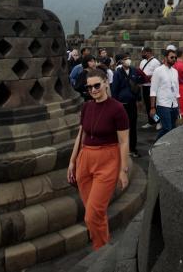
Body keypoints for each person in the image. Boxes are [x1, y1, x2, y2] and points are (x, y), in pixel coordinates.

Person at [67, 69, 130, 250]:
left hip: (108, 159)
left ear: (105, 83)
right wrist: (72, 161)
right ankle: (103, 247)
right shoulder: (87, 106)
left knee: (92, 215)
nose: (93, 90)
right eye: (89, 87)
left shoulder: (117, 108)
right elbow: (81, 135)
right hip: (85, 158)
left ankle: (100, 250)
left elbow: (124, 141)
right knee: (95, 211)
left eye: (97, 85)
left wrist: (123, 170)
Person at [111, 54, 141, 157]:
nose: (128, 60)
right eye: (125, 59)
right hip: (122, 104)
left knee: (133, 126)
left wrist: (139, 99)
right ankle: (122, 148)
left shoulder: (134, 70)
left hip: (132, 103)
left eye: (128, 58)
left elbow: (137, 86)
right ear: (121, 61)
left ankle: (133, 148)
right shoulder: (118, 73)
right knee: (122, 127)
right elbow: (114, 89)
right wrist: (115, 104)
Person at [149, 48, 180, 139]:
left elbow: (177, 91)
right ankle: (156, 146)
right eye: (172, 57)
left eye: (175, 57)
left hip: (174, 105)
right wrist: (152, 107)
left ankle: (168, 148)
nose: (174, 59)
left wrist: (179, 108)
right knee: (167, 128)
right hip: (163, 105)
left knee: (173, 129)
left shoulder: (175, 71)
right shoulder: (158, 70)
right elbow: (153, 90)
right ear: (166, 57)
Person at [137, 47, 161, 129]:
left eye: (144, 52)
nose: (142, 54)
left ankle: (158, 121)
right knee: (147, 104)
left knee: (153, 105)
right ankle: (151, 121)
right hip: (144, 86)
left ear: (149, 52)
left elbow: (158, 74)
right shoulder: (142, 62)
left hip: (152, 87)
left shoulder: (156, 62)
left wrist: (150, 76)